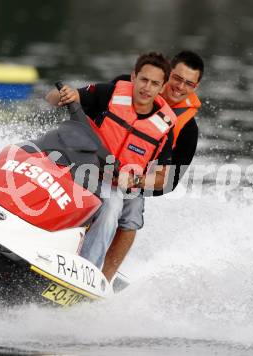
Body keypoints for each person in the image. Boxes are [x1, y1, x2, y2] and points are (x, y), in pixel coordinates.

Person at [46, 52, 177, 272]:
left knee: (113, 205)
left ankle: (85, 270)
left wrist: (135, 179)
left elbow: (164, 179)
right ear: (134, 77)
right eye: (144, 80)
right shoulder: (109, 93)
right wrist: (63, 94)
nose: (147, 88)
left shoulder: (164, 127)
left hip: (114, 184)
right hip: (81, 167)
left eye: (155, 83)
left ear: (162, 88)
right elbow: (53, 99)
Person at [102, 50, 204, 281]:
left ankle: (103, 279)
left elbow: (170, 181)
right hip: (98, 157)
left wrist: (134, 183)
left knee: (130, 215)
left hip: (135, 176)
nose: (179, 87)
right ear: (168, 75)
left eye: (188, 83)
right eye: (177, 79)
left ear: (195, 87)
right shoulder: (124, 85)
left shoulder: (188, 130)